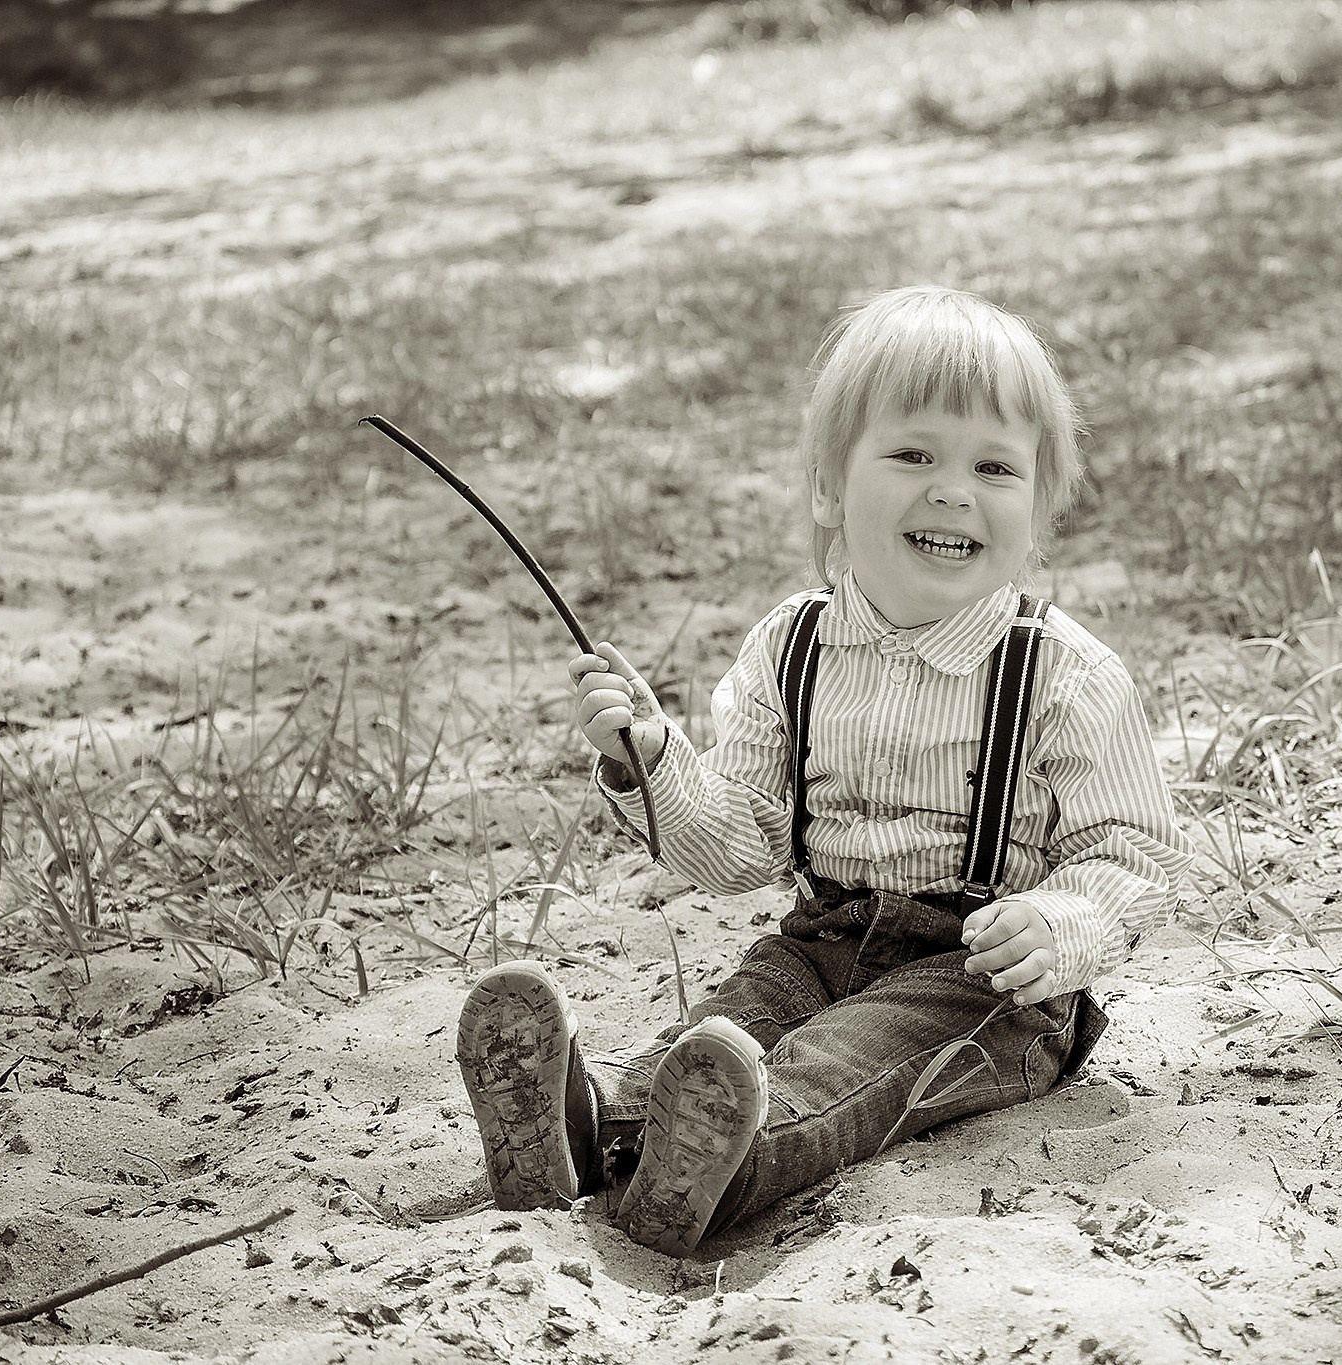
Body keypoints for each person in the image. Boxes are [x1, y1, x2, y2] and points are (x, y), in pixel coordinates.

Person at [455, 284, 1189, 1258]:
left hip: (981, 980)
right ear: (828, 490)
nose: (953, 488)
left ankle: (714, 1171)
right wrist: (649, 759)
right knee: (716, 1041)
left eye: (995, 467)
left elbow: (1132, 852)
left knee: (836, 1070)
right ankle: (585, 1135)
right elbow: (741, 842)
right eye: (913, 453)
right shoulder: (791, 649)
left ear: (1037, 513)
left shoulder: (1061, 673)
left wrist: (1063, 921)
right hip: (822, 935)